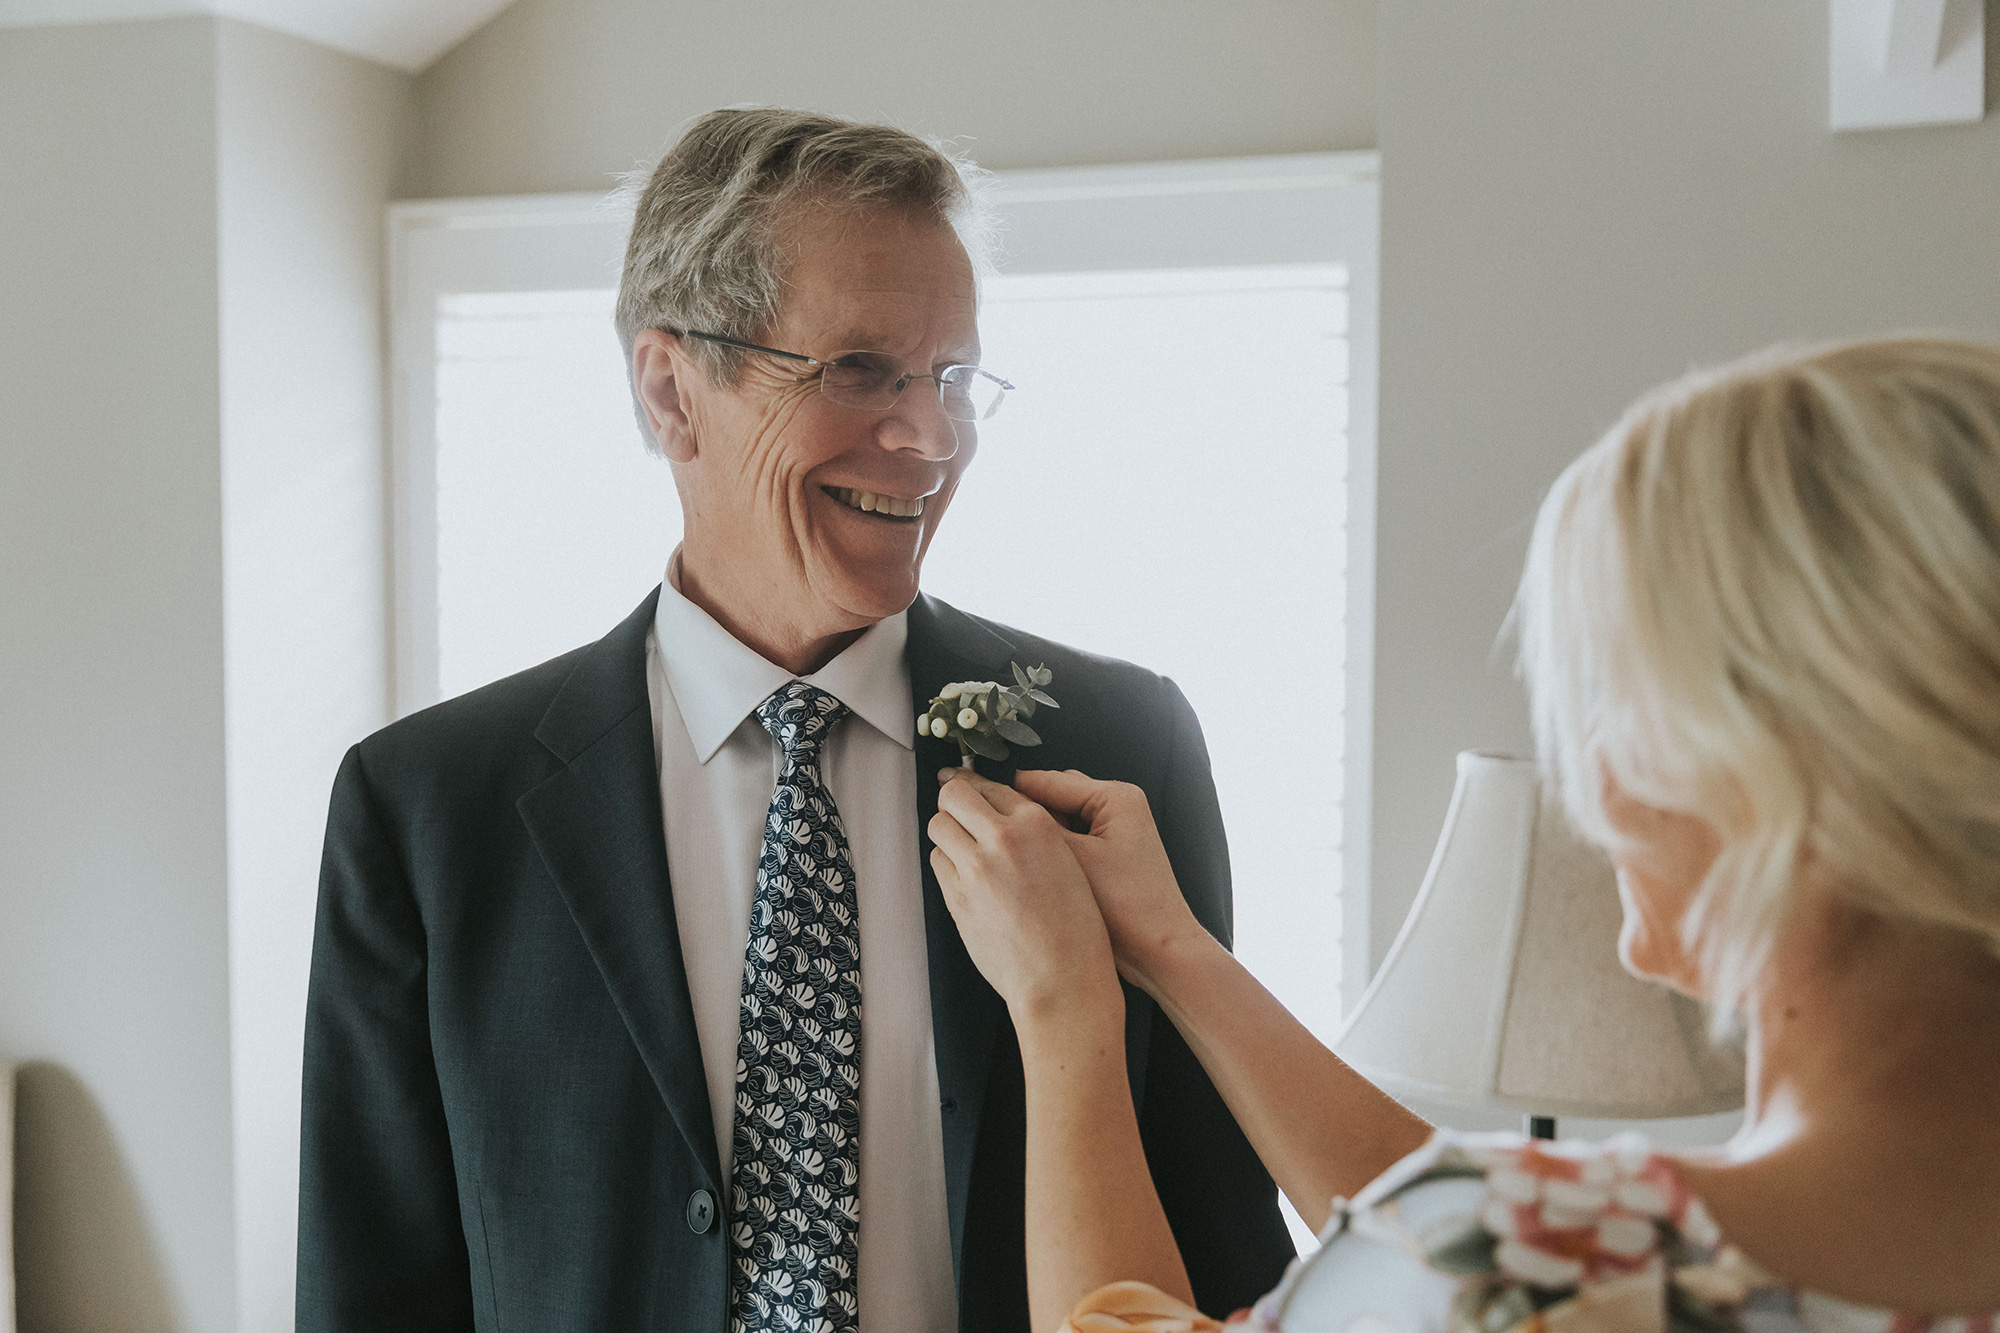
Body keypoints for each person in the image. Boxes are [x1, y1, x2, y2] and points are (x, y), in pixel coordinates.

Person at [296, 108, 1297, 1333]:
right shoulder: (425, 810)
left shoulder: (1120, 747)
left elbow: (1227, 1239)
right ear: (672, 393)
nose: (929, 438)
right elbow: (371, 1290)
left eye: (950, 378)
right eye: (859, 370)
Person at [928, 336, 2000, 1331]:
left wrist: (1063, 1005)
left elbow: (1486, 1256)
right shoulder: (1554, 1253)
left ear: (1761, 768)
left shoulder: (1519, 1255)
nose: (1591, 777)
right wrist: (1170, 949)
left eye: (1612, 699)